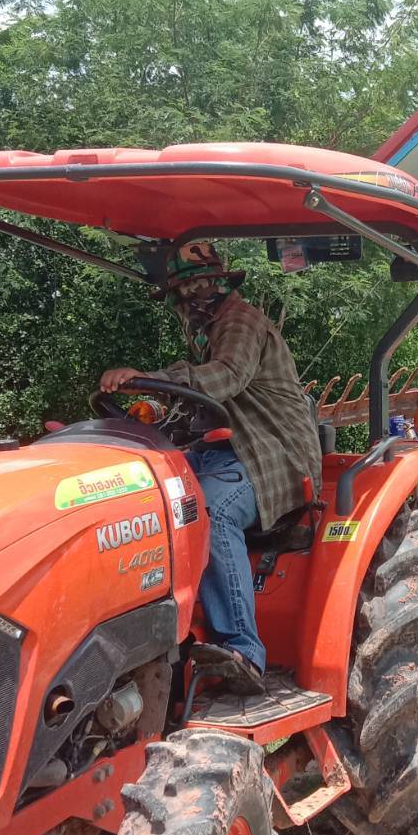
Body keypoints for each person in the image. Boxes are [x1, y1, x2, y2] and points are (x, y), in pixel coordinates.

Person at [101, 242, 322, 695]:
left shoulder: (240, 321)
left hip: (274, 456)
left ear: (210, 288)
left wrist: (155, 377)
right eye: (180, 295)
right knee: (147, 497)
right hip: (231, 451)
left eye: (189, 292)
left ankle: (242, 649)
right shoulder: (205, 329)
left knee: (209, 510)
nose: (184, 303)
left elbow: (226, 377)